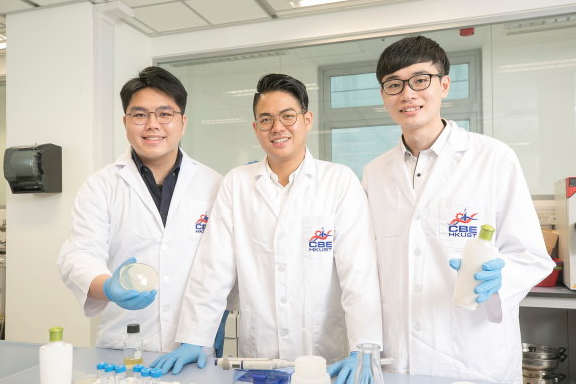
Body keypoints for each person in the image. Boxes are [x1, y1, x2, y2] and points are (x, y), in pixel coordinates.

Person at [151, 73, 382, 382]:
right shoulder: (237, 183)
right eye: (266, 119)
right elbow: (213, 266)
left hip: (326, 357)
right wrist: (195, 336)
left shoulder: (338, 181)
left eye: (288, 116)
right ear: (255, 128)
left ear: (307, 119)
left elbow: (360, 273)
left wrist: (364, 348)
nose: (277, 128)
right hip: (258, 357)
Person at [362, 36, 554, 383]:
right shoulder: (374, 172)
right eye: (394, 85)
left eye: (420, 80)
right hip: (397, 358)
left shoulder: (493, 158)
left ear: (444, 85)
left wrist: (499, 280)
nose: (407, 94)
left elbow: (529, 254)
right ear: (383, 95)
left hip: (471, 355)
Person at [57, 66, 227, 354]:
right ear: (125, 122)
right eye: (139, 115)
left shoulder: (215, 184)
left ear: (183, 122)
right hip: (124, 344)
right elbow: (79, 255)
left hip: (195, 344)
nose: (152, 124)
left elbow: (225, 263)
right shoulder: (101, 186)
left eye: (165, 113)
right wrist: (109, 287)